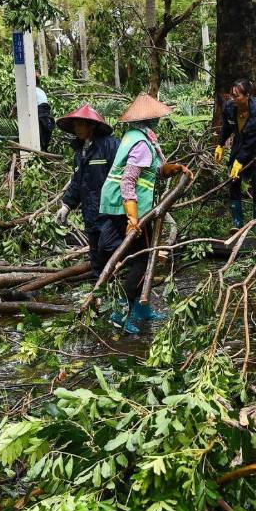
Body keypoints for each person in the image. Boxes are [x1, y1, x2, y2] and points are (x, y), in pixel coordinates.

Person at [97, 93, 191, 334]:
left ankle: (140, 308)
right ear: (151, 120)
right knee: (142, 261)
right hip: (127, 207)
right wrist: (132, 218)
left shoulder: (136, 137)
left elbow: (155, 171)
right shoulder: (141, 144)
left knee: (142, 258)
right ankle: (122, 312)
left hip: (121, 205)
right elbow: (128, 181)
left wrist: (176, 168)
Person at [55, 105, 120, 276]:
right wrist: (67, 206)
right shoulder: (79, 151)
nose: (77, 129)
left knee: (109, 246)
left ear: (91, 125)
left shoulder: (110, 146)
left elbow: (123, 177)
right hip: (90, 213)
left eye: (80, 125)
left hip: (110, 212)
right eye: (75, 125)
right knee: (96, 256)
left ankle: (124, 280)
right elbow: (78, 182)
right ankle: (100, 293)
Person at [214, 79, 256, 229]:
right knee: (234, 181)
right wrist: (220, 144)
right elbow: (227, 127)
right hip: (240, 146)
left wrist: (239, 161)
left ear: (247, 96)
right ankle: (237, 222)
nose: (233, 99)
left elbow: (251, 141)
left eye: (237, 96)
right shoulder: (229, 107)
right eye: (232, 95)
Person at [36, 74, 56, 152]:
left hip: (40, 116)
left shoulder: (31, 90)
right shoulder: (41, 91)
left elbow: (17, 105)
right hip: (46, 117)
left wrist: (12, 114)